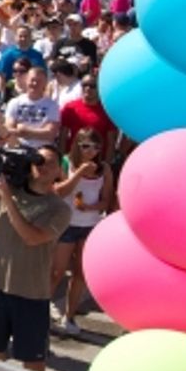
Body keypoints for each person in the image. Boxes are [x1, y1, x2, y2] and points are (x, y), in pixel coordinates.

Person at [0, 144, 72, 371]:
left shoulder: (59, 209)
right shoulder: (8, 191)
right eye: (38, 162)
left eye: (50, 163)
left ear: (59, 172)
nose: (43, 167)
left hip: (30, 294)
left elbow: (32, 238)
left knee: (33, 363)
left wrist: (6, 197)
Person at [50, 130, 113, 336]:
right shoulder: (66, 163)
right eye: (86, 146)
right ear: (77, 145)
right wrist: (79, 172)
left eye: (95, 147)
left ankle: (69, 316)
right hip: (66, 224)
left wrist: (91, 207)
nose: (91, 152)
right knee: (57, 272)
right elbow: (59, 191)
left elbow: (106, 200)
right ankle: (40, 310)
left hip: (89, 225)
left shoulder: (104, 169)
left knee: (80, 273)